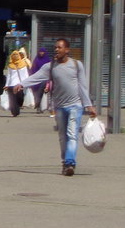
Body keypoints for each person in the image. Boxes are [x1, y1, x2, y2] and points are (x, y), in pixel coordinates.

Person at [17, 38, 96, 176]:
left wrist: (88, 105)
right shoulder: (51, 66)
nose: (56, 50)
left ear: (67, 50)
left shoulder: (77, 65)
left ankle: (70, 162)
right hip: (59, 106)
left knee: (72, 135)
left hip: (75, 106)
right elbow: (36, 77)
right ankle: (65, 162)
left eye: (59, 47)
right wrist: (22, 84)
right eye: (55, 47)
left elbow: (83, 86)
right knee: (62, 136)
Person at [3, 48, 30, 116]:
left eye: (16, 54)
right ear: (11, 56)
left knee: (19, 97)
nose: (15, 56)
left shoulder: (23, 64)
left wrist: (26, 84)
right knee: (12, 100)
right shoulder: (10, 65)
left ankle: (18, 107)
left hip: (19, 85)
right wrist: (6, 85)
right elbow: (9, 76)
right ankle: (14, 112)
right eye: (13, 55)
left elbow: (26, 75)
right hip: (11, 85)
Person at [27, 45, 51, 113]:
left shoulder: (47, 60)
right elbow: (33, 69)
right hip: (37, 79)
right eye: (40, 52)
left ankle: (43, 107)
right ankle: (38, 107)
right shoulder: (36, 59)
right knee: (37, 94)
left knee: (43, 93)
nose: (41, 53)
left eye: (42, 52)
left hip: (45, 79)